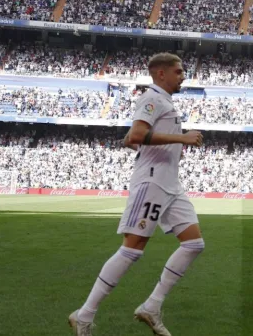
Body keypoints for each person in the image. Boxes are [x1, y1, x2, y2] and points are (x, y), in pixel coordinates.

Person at [70, 53, 206, 336]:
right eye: (178, 72)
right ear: (160, 74)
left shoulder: (165, 101)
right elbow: (135, 134)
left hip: (171, 184)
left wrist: (143, 143)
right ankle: (84, 314)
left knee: (194, 245)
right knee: (132, 249)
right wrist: (182, 138)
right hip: (153, 183)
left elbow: (134, 139)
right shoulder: (152, 98)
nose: (183, 76)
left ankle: (152, 306)